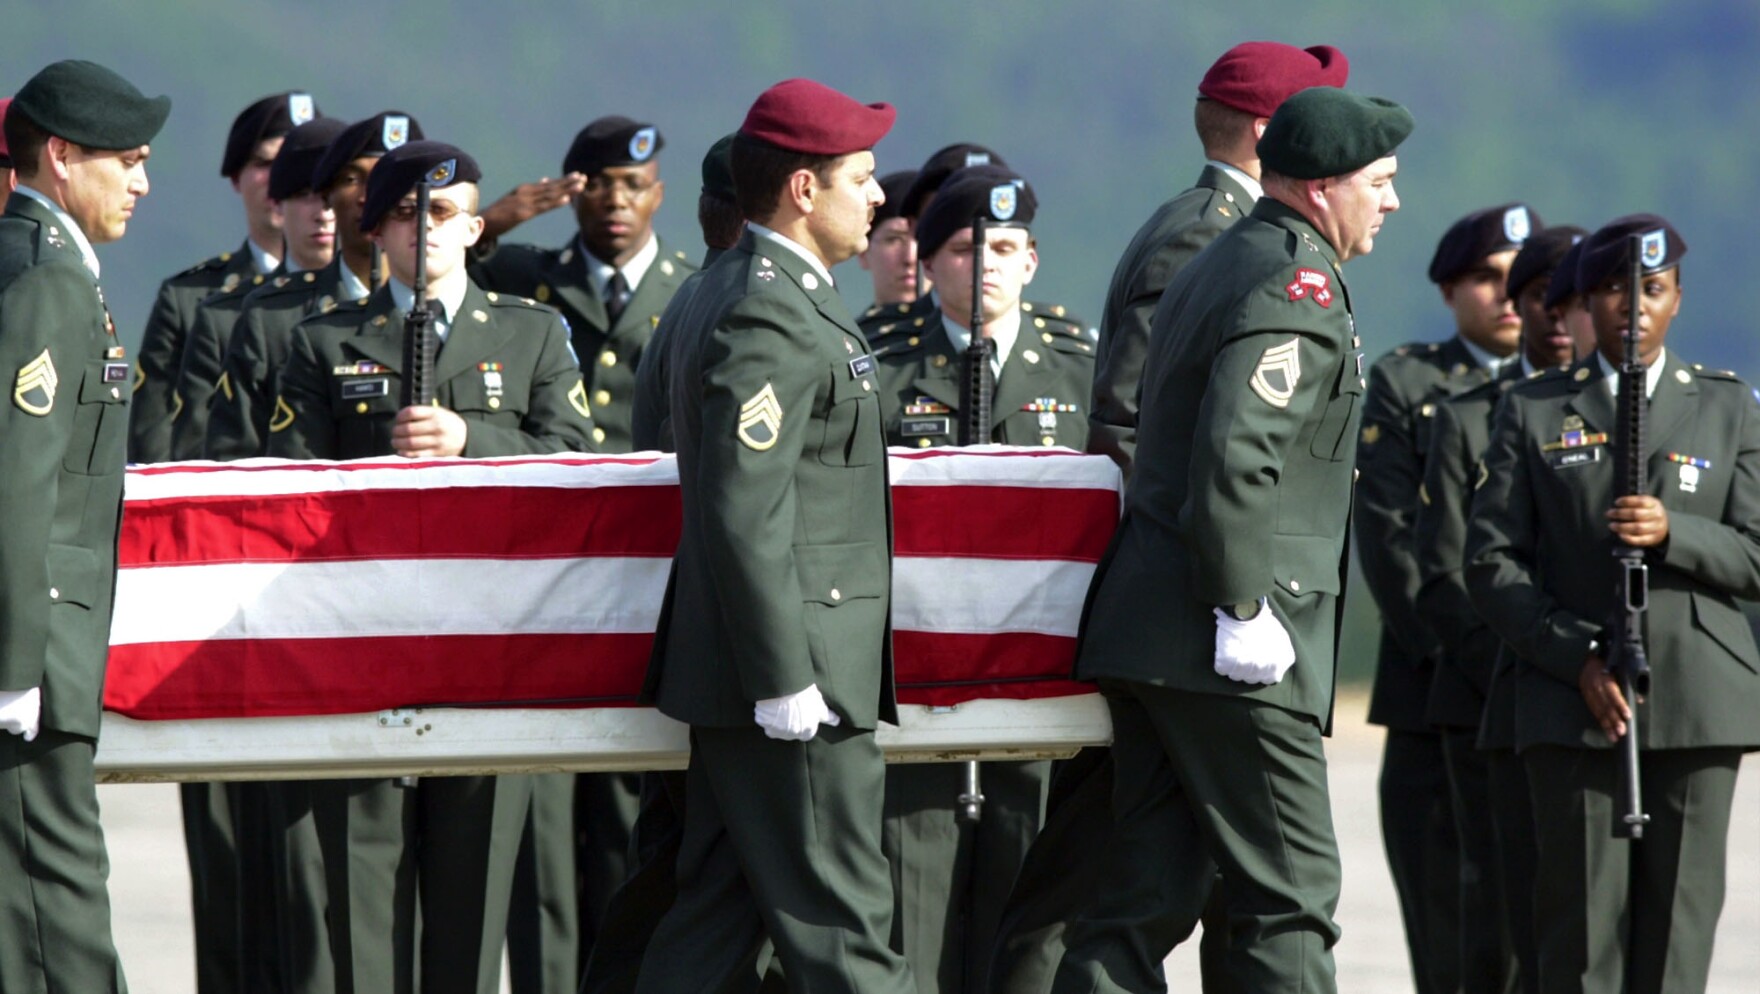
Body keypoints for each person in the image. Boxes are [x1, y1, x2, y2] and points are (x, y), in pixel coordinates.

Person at [992, 41, 1349, 994]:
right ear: (1280, 137)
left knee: (1155, 888)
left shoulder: (1239, 236)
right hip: (1202, 618)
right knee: (1205, 892)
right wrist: (1231, 597)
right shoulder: (1218, 238)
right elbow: (1140, 427)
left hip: (1186, 618)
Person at [267, 140, 594, 994]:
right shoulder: (323, 342)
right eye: (407, 214)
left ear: (477, 228)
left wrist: (471, 440)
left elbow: (575, 465)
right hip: (364, 649)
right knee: (363, 914)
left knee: (473, 910)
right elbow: (288, 490)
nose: (427, 229)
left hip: (492, 651)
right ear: (375, 233)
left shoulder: (531, 335)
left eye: (445, 214)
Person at [632, 77, 916, 994]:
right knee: (845, 926)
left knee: (715, 920)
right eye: (862, 177)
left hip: (769, 666)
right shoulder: (770, 309)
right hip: (794, 671)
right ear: (804, 188)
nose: (877, 196)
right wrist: (783, 673)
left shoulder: (781, 293)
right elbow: (742, 506)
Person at [1467, 214, 1760, 994]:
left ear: (1677, 301)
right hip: (1574, 702)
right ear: (1584, 305)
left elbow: (1756, 553)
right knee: (1580, 939)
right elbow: (1491, 563)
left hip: (1699, 700)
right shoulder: (1533, 409)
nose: (1632, 307)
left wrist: (1676, 534)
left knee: (1678, 936)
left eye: (1652, 290)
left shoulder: (1727, 407)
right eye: (1610, 291)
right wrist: (1576, 658)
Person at [469, 114, 696, 993]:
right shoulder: (531, 277)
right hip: (552, 566)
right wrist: (499, 217)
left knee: (630, 817)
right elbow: (437, 273)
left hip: (646, 567)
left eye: (633, 185)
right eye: (595, 184)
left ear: (659, 195)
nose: (615, 202)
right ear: (570, 193)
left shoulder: (688, 284)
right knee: (546, 831)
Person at [0, 58, 169, 994]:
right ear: (63, 157)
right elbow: (15, 481)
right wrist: (16, 667)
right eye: (128, 160)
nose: (142, 183)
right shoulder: (47, 281)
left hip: (39, 646)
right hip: (36, 661)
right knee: (56, 913)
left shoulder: (35, 263)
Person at [1356, 201, 1541, 994]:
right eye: (1485, 277)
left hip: (1545, 696)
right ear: (1447, 290)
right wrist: (1472, 659)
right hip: (1437, 697)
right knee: (1451, 940)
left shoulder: (1568, 392)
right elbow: (1392, 541)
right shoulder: (1410, 381)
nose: (1507, 296)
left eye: (1524, 281)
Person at [1415, 222, 1585, 994]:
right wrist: (1542, 664)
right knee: (1502, 921)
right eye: (1541, 298)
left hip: (1601, 695)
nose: (1557, 316)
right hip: (1499, 693)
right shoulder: (1469, 414)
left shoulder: (1628, 414)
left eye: (1573, 299)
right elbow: (1448, 567)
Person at [204, 110, 422, 464]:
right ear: (329, 197)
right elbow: (233, 460)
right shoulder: (272, 318)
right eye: (353, 179)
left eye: (391, 179)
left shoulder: (467, 319)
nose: (372, 196)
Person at [128, 90, 317, 464]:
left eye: (301, 167)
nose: (282, 179)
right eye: (266, 163)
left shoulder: (362, 292)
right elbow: (153, 434)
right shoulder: (189, 299)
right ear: (235, 178)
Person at [171, 114, 344, 461]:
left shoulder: (392, 310)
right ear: (278, 205)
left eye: (332, 196)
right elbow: (202, 453)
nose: (323, 213)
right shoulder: (233, 316)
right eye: (306, 195)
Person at [854, 168, 921, 321]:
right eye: (893, 240)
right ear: (863, 252)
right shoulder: (848, 341)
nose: (910, 258)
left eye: (921, 237)